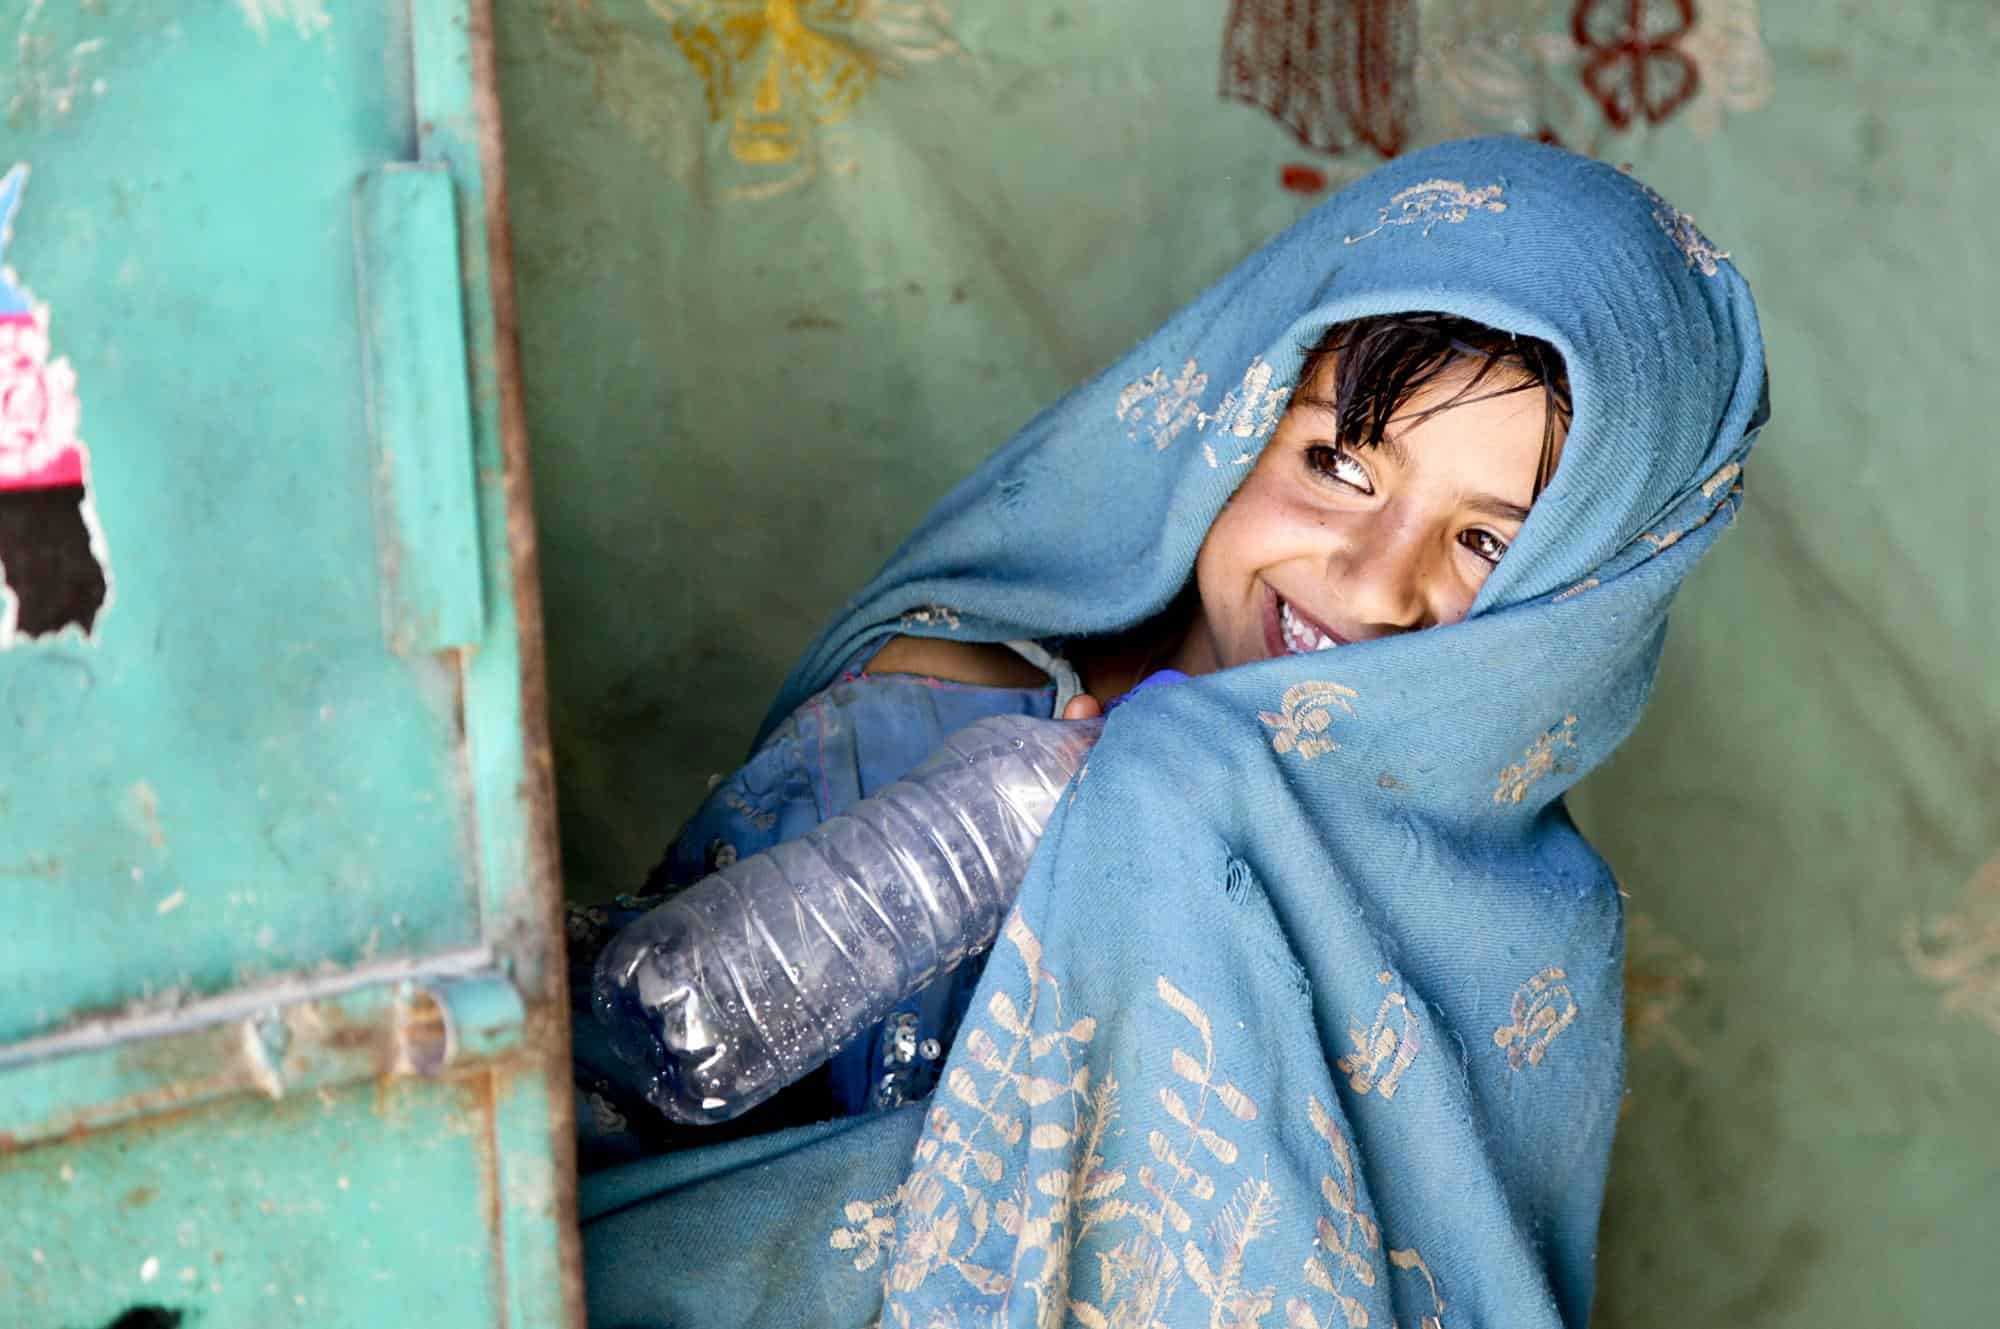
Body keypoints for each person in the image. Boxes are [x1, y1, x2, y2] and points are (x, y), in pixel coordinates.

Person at [574, 136, 1769, 1329]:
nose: (1366, 578)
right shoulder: (948, 704)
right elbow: (630, 1090)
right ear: (1235, 414)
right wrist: (994, 831)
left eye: (1484, 544)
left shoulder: (1523, 942)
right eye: (1336, 464)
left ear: (1575, 616)